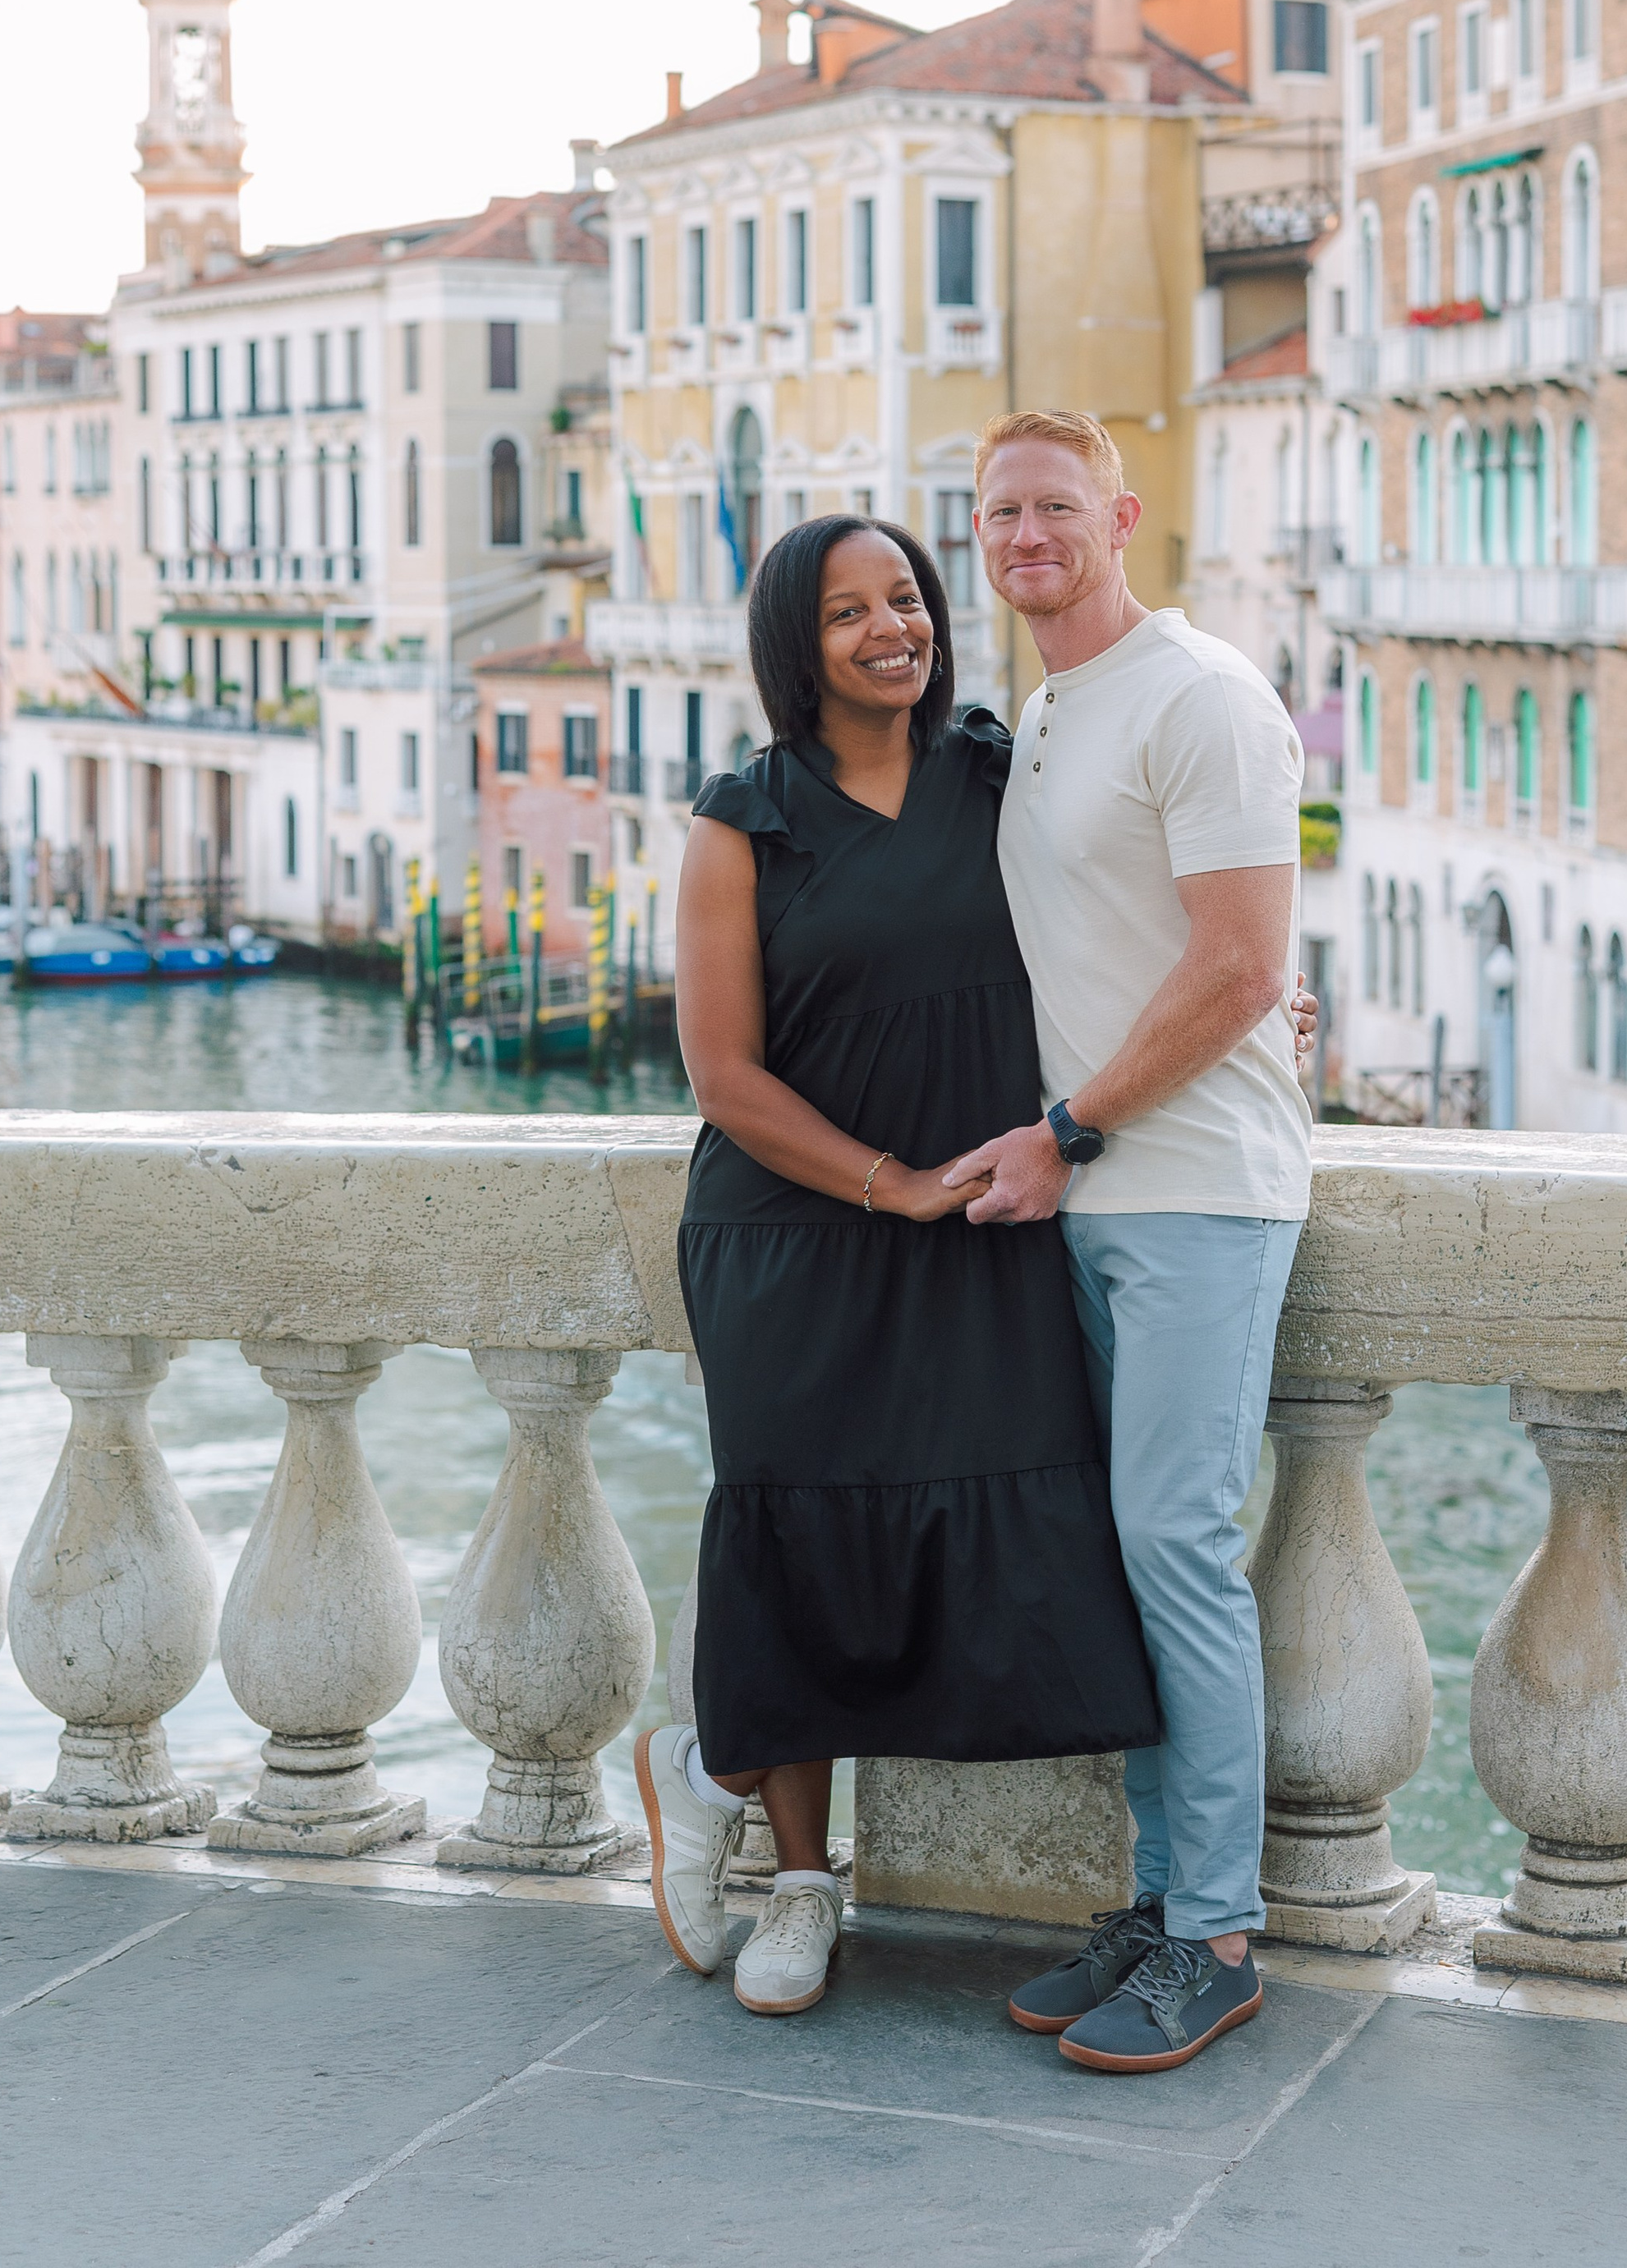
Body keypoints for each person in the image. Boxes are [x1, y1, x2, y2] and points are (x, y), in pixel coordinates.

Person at [635, 513, 1163, 2018]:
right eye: (852, 610)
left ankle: (707, 1761)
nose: (894, 627)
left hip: (980, 1222)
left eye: (911, 598)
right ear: (795, 647)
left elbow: (1131, 919)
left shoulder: (1002, 775)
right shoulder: (745, 823)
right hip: (797, 1234)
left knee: (986, 1555)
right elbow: (723, 1075)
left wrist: (1270, 1006)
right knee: (800, 1542)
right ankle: (802, 1884)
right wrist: (890, 1185)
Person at [945, 409, 1312, 2077]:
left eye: (1054, 505)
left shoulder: (1203, 694)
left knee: (1174, 1540)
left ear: (1120, 514)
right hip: (1090, 1191)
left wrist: (1072, 1129)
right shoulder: (1042, 709)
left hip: (1190, 1187)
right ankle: (1161, 1900)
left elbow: (1239, 966)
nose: (1027, 533)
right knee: (1125, 1553)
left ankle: (1220, 1937)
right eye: (998, 510)